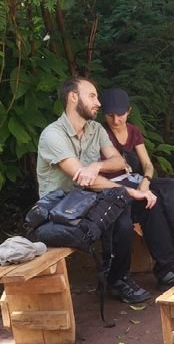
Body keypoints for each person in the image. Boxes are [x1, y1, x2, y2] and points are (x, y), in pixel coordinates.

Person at [36, 77, 159, 304]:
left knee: (130, 211)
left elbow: (118, 162)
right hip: (61, 209)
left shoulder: (95, 129)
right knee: (122, 210)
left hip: (89, 200)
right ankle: (117, 279)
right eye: (92, 96)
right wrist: (132, 191)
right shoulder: (52, 135)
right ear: (74, 97)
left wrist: (96, 165)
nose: (98, 103)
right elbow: (84, 181)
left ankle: (124, 277)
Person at [99, 87, 174, 290]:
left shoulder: (133, 131)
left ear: (128, 111)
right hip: (116, 188)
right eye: (110, 115)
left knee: (168, 188)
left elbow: (147, 164)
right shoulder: (101, 133)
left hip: (137, 181)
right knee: (157, 201)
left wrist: (145, 182)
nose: (116, 120)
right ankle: (172, 265)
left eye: (120, 115)